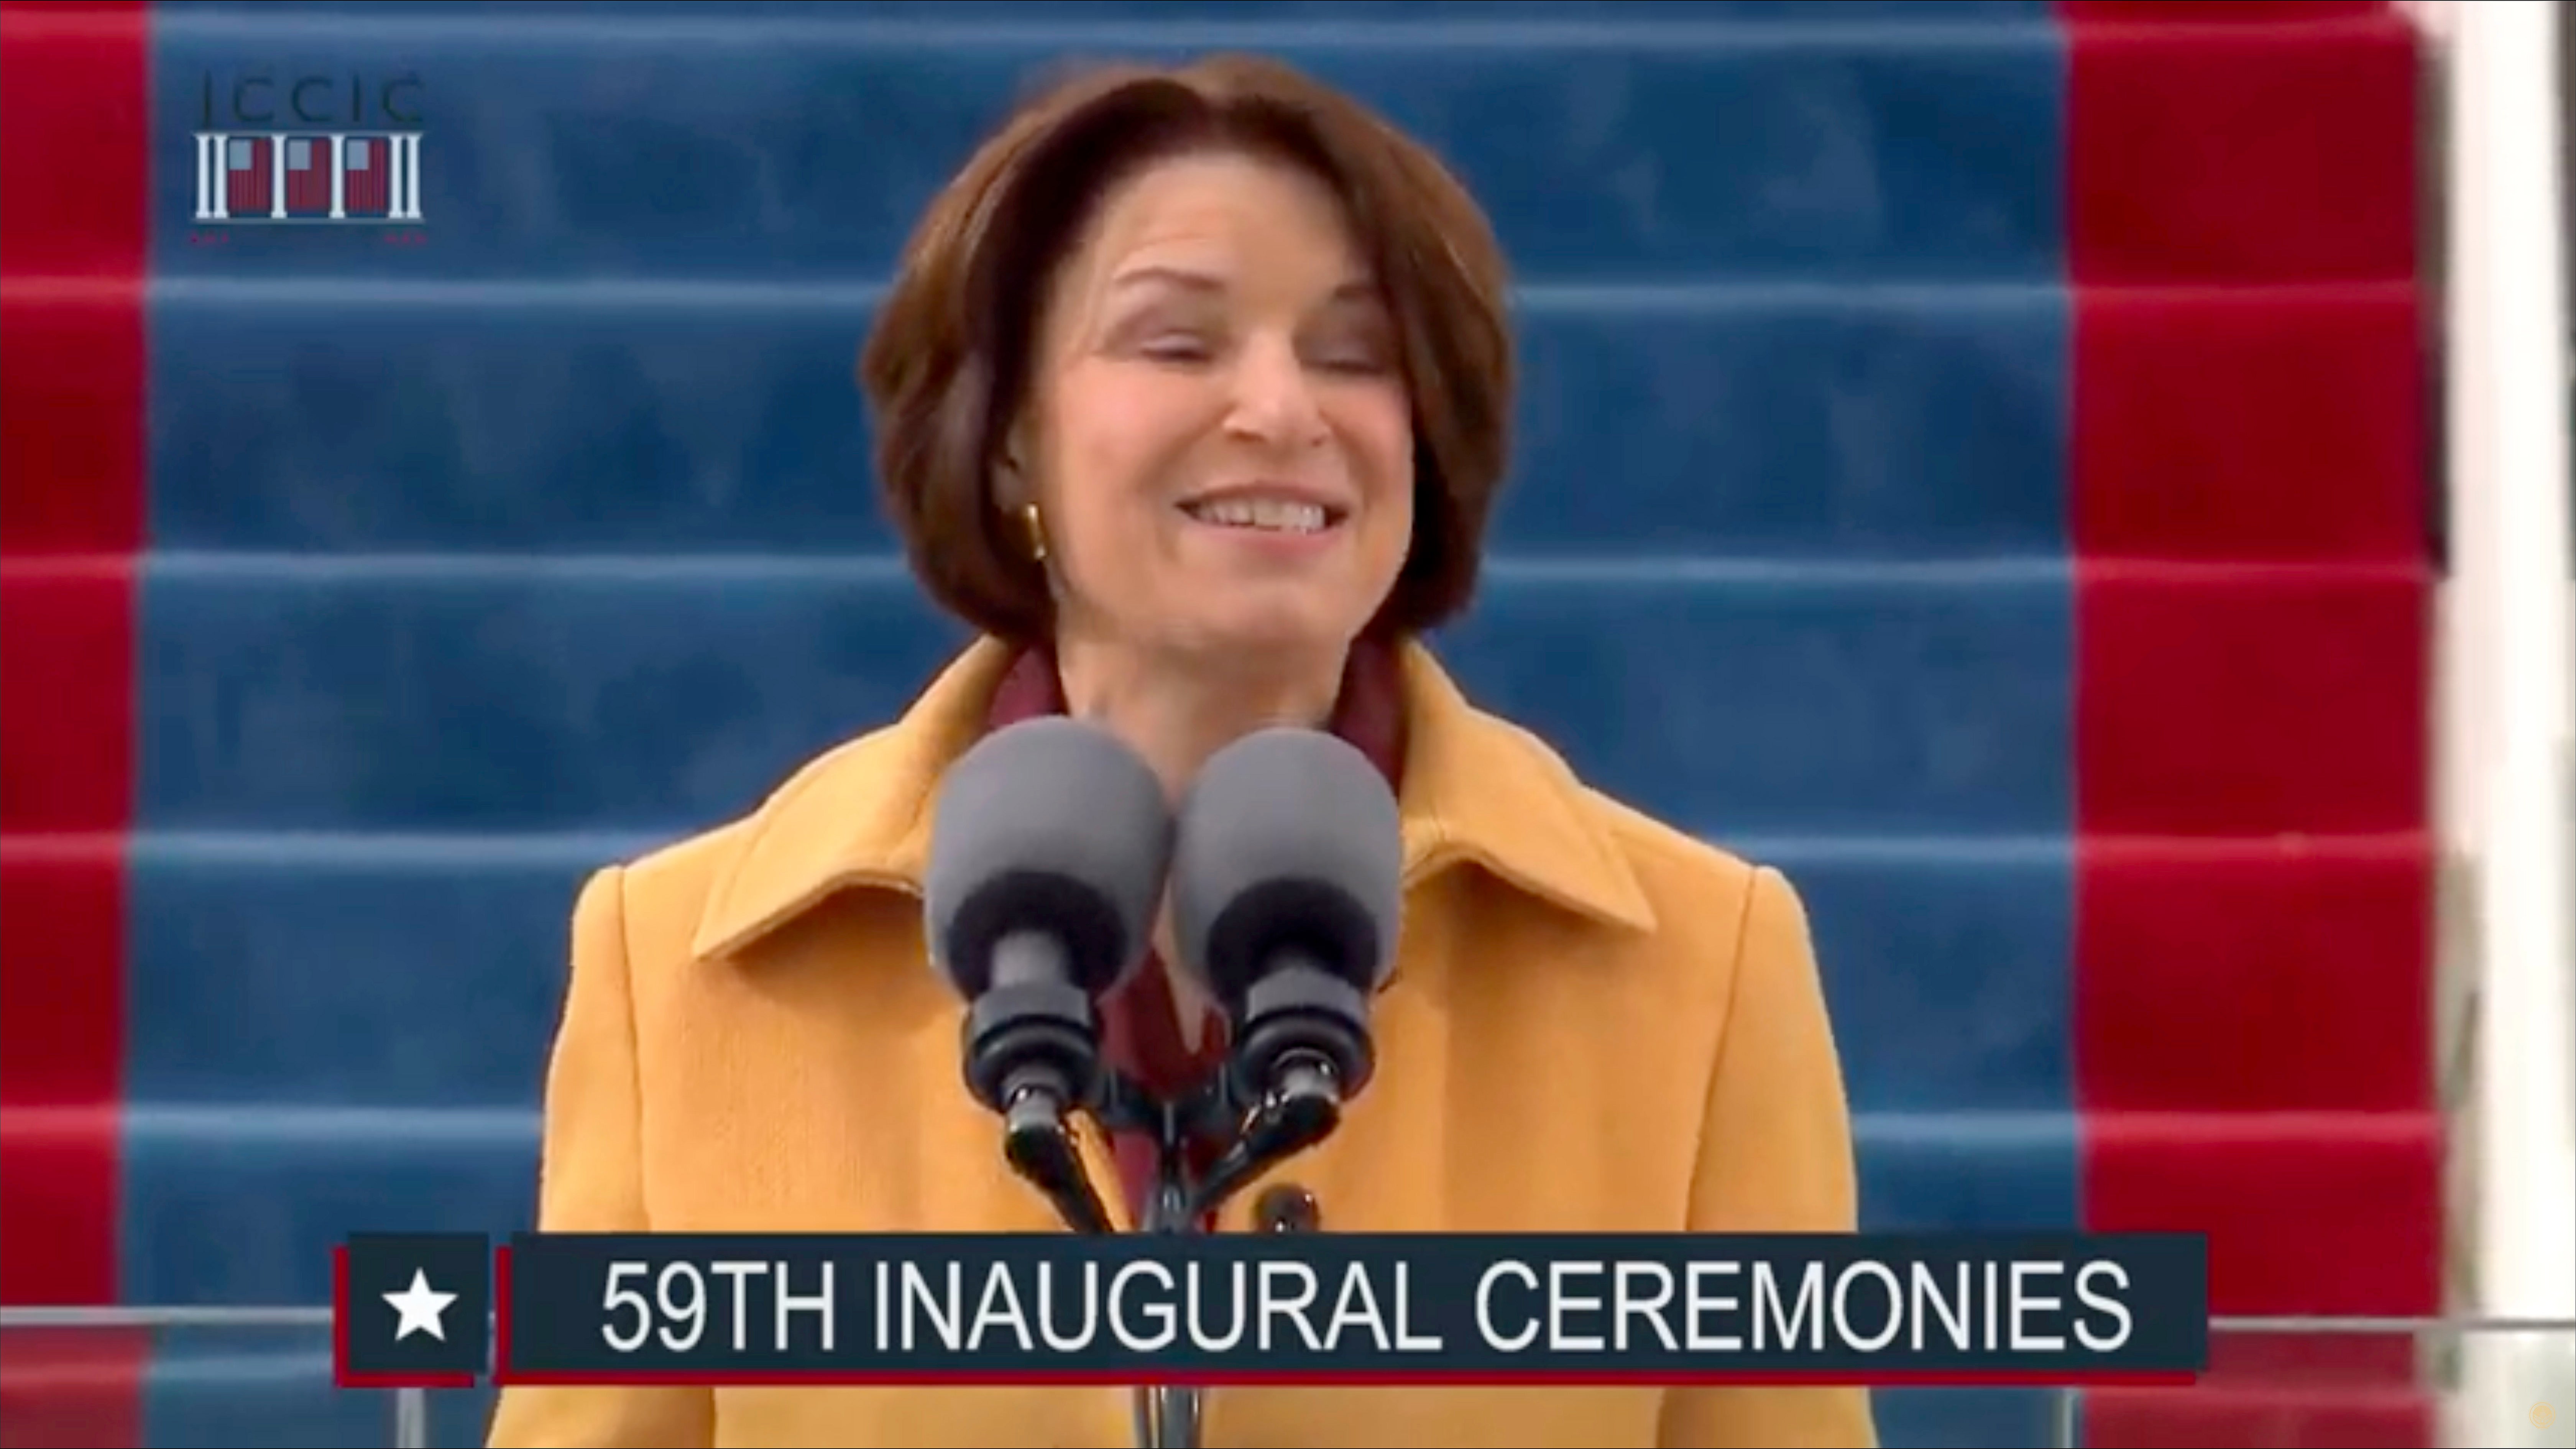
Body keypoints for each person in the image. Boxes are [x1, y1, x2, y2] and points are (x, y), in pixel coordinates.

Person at [485, 53, 1875, 1449]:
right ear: (1011, 437)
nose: (1282, 410)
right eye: (1176, 343)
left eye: (1355, 355)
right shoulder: (680, 971)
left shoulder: (1705, 968)